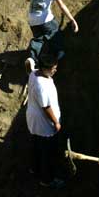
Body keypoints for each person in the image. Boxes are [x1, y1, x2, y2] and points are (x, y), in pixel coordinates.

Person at [25, 0, 79, 73]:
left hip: (32, 19)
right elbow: (62, 6)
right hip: (45, 19)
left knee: (39, 39)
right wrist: (73, 20)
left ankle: (32, 60)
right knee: (55, 33)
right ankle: (59, 56)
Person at [26, 54, 65, 188]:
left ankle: (34, 169)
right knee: (47, 153)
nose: (55, 70)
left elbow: (28, 63)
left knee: (36, 145)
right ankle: (47, 179)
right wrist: (56, 122)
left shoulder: (34, 74)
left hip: (33, 119)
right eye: (53, 68)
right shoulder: (41, 85)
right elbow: (46, 107)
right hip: (43, 123)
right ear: (44, 68)